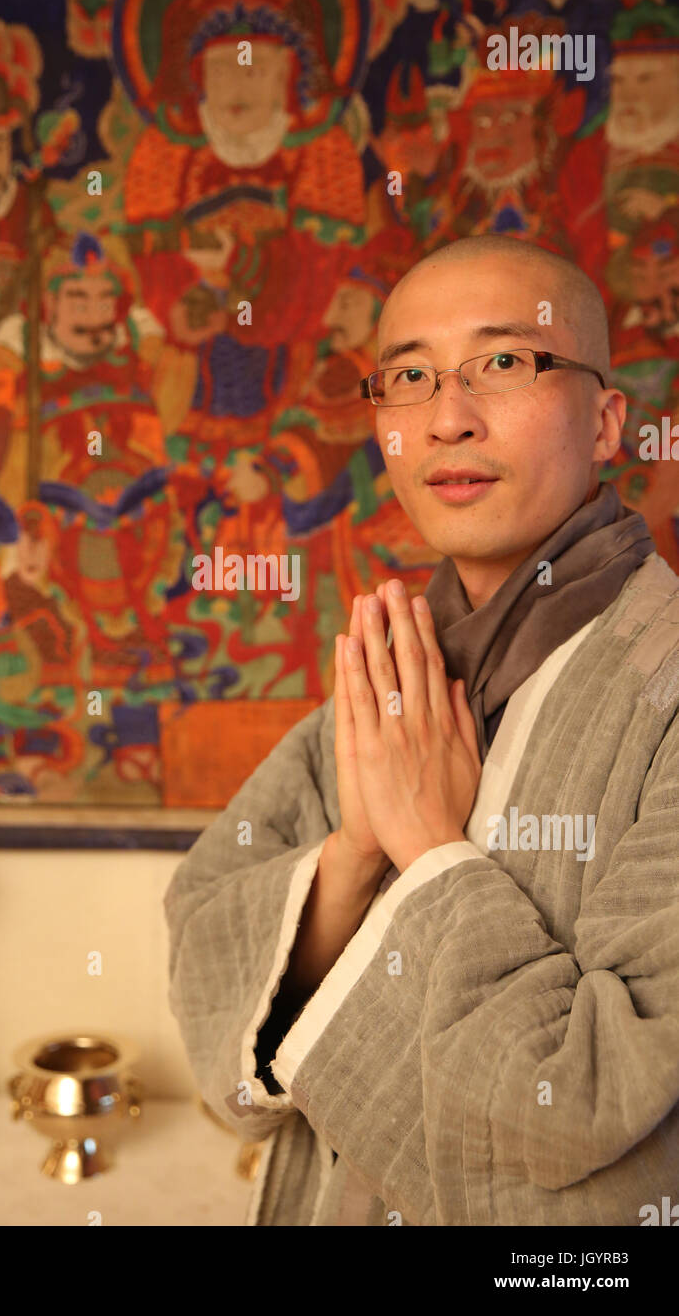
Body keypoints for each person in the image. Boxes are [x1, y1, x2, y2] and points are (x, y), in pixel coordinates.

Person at [164, 233, 679, 1226]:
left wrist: (431, 853)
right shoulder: (390, 668)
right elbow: (208, 949)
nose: (447, 419)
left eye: (501, 363)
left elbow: (597, 1108)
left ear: (606, 419)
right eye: (408, 376)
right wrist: (356, 851)